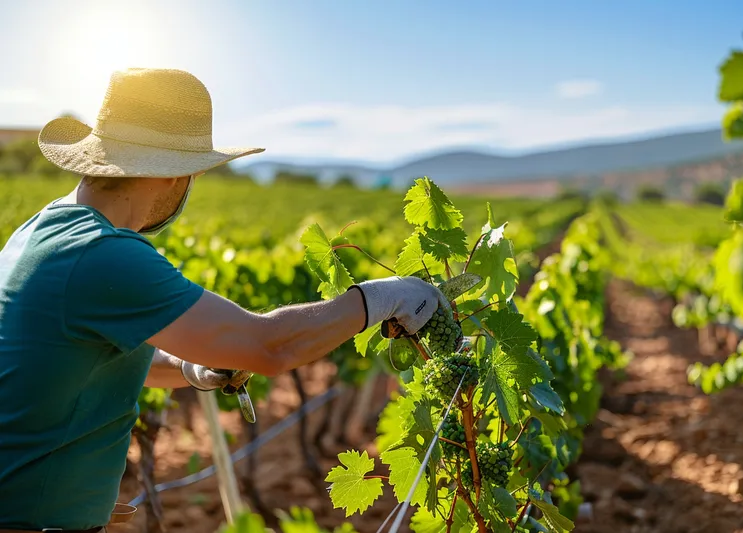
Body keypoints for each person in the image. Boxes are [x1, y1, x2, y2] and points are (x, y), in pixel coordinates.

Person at [0, 68, 445, 533]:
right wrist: (381, 297)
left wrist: (193, 368)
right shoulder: (102, 254)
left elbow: (94, 355)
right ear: (177, 177)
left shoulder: (42, 229)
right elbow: (270, 346)